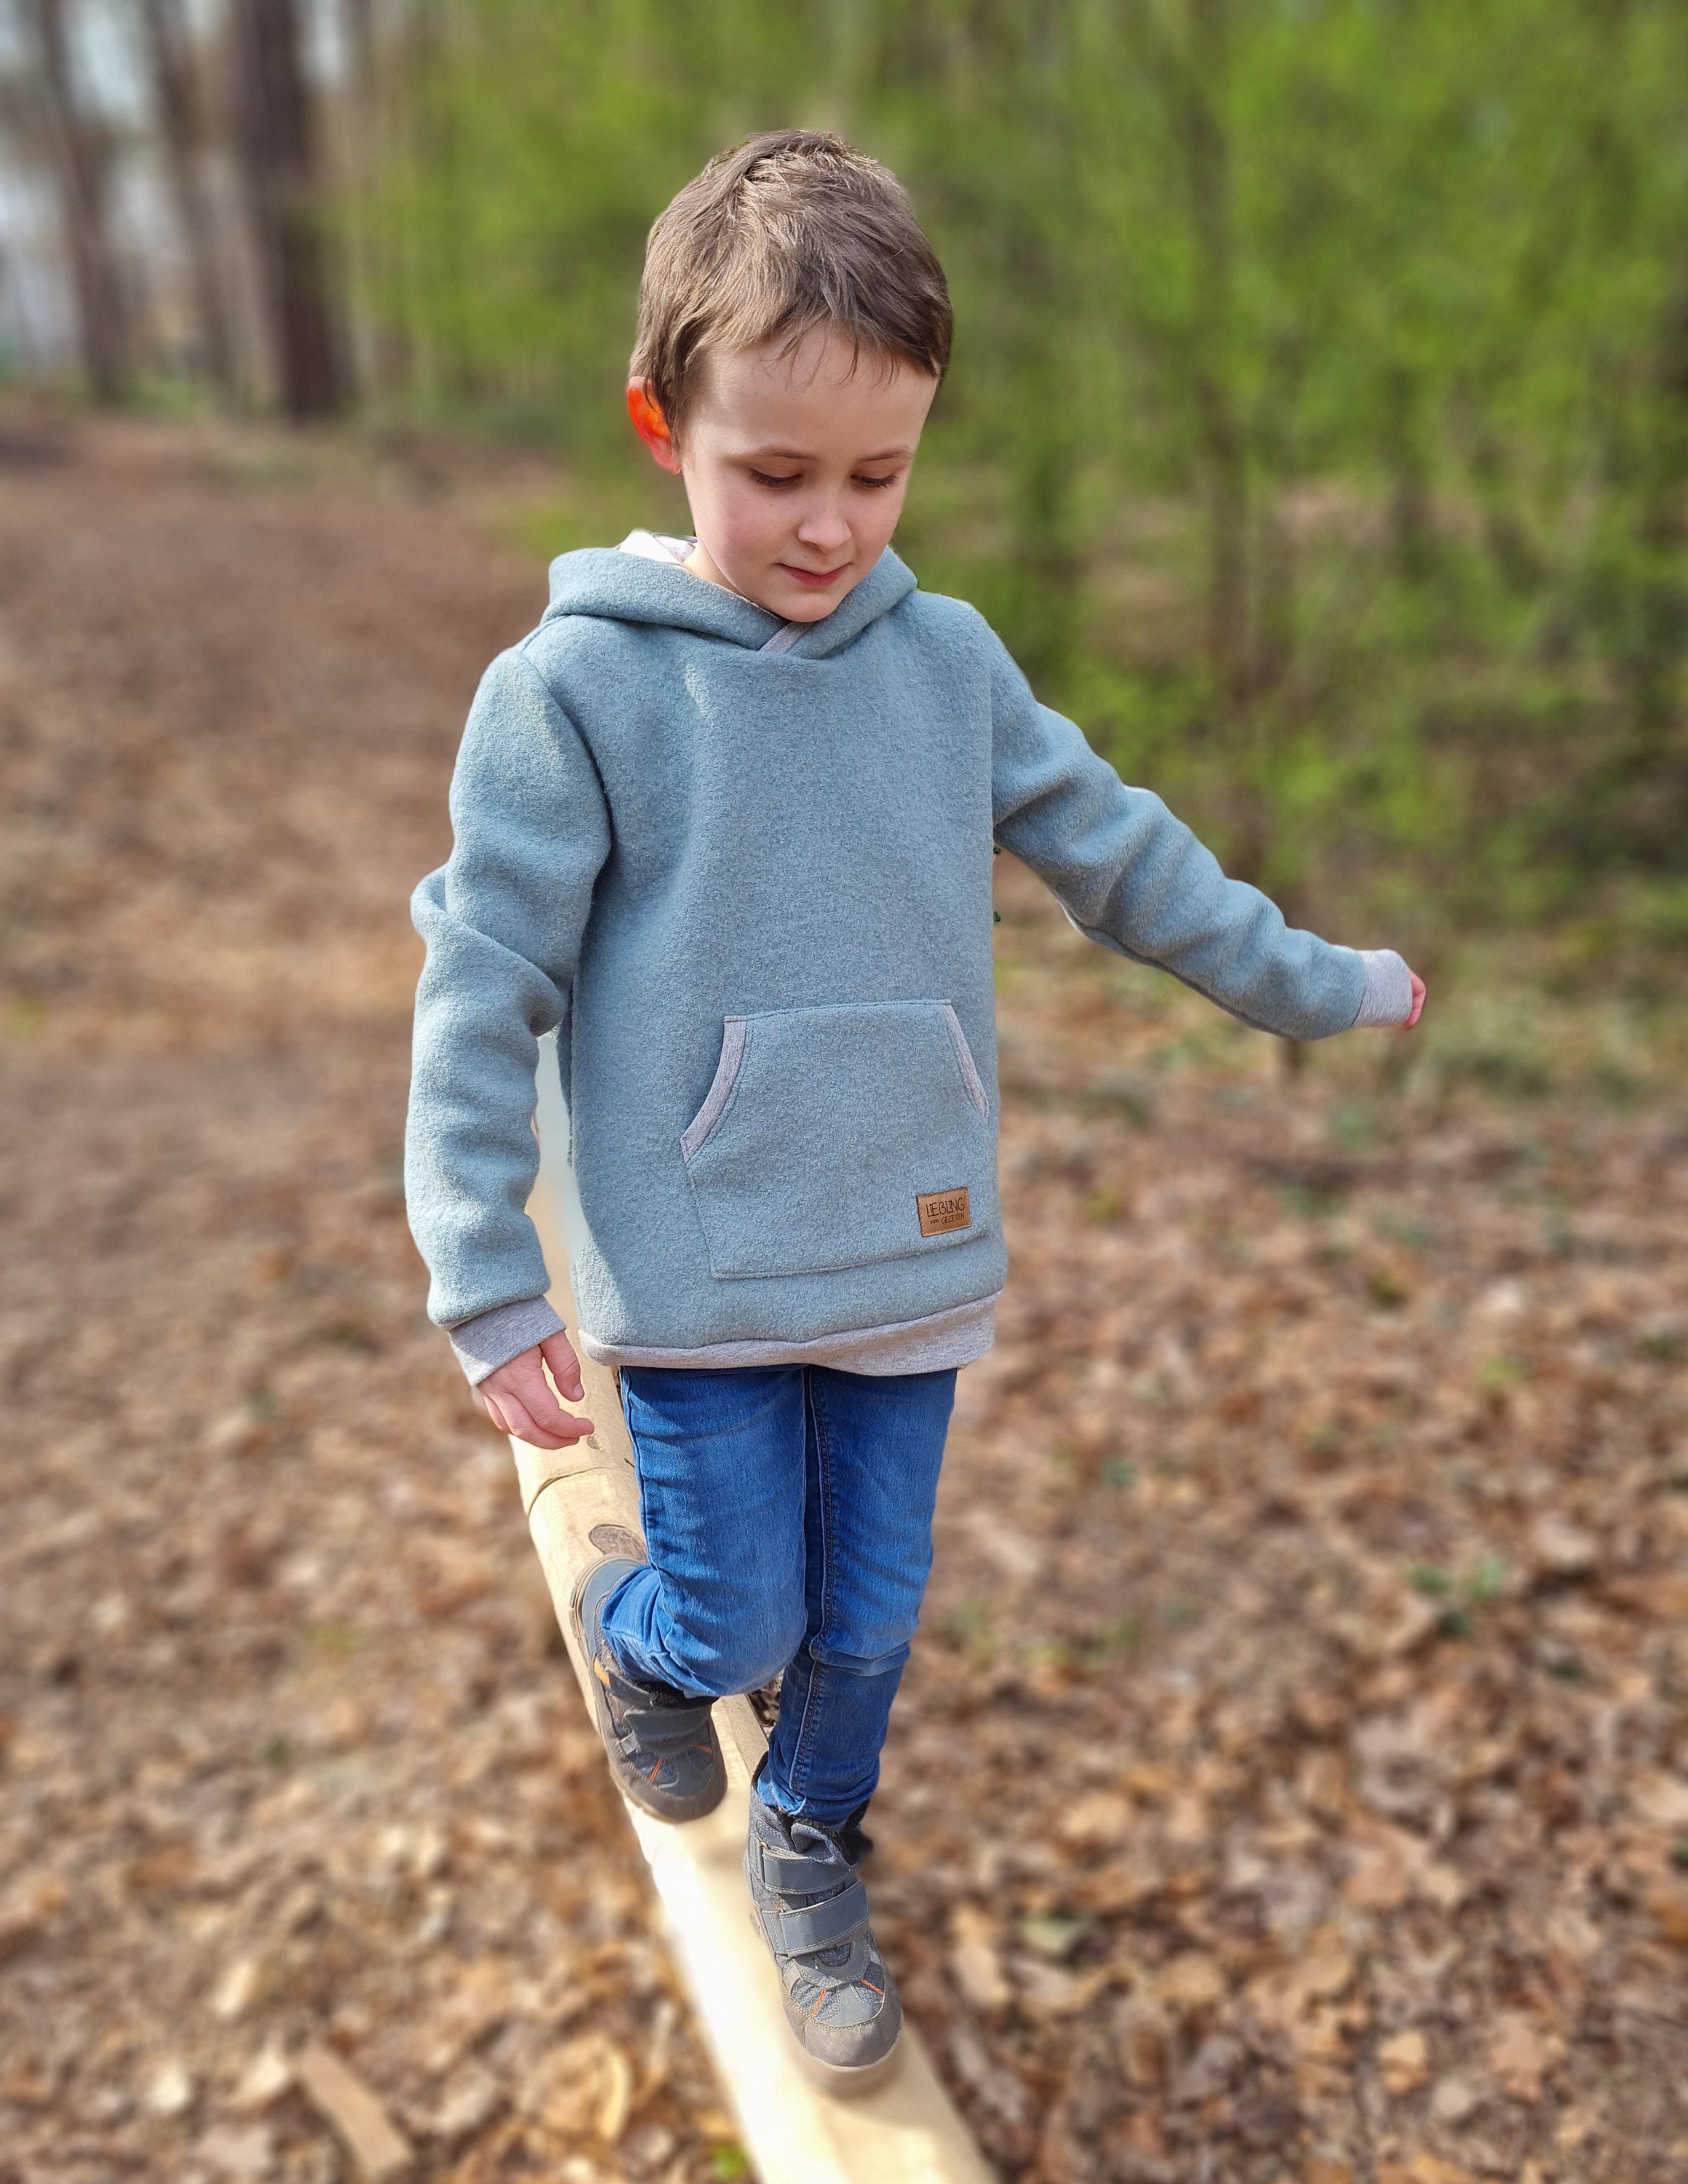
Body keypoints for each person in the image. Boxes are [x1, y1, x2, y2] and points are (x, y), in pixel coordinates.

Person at [404, 128, 1425, 2091]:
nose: (829, 527)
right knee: (738, 1613)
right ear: (661, 426)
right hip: (697, 1262)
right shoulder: (574, 694)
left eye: (878, 476)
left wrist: (1322, 982)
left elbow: (1127, 861)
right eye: (776, 472)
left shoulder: (946, 664)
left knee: (866, 1613)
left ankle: (811, 1845)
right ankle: (640, 1640)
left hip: (908, 1237)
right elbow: (482, 984)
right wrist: (483, 1276)